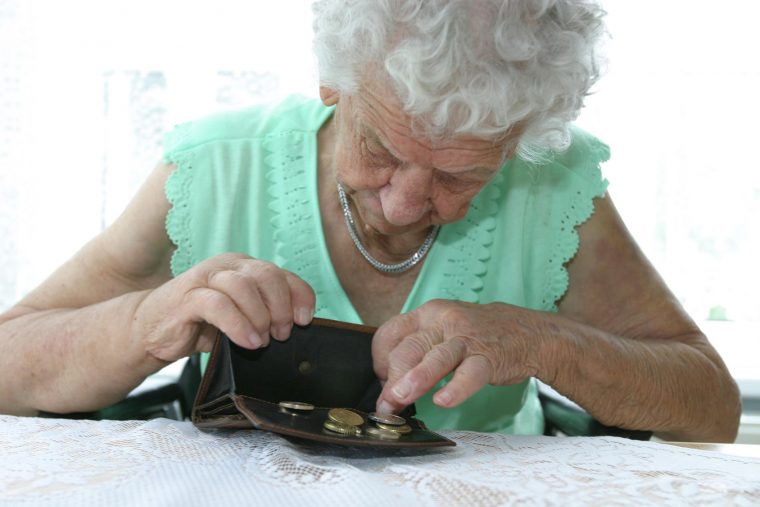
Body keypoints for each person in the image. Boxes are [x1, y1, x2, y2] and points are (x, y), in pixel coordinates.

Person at [0, 0, 740, 442]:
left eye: (461, 174)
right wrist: (144, 323)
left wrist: (545, 342)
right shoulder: (213, 170)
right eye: (381, 149)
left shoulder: (554, 189)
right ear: (333, 81)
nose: (404, 204)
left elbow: (708, 403)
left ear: (519, 141)